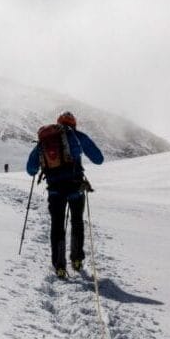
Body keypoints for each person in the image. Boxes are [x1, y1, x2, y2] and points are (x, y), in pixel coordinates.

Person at [26, 111, 105, 278]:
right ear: (73, 124)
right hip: (75, 188)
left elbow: (30, 169)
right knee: (77, 222)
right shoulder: (76, 136)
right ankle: (76, 259)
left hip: (55, 191)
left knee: (57, 226)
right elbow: (99, 159)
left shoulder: (45, 140)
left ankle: (59, 266)